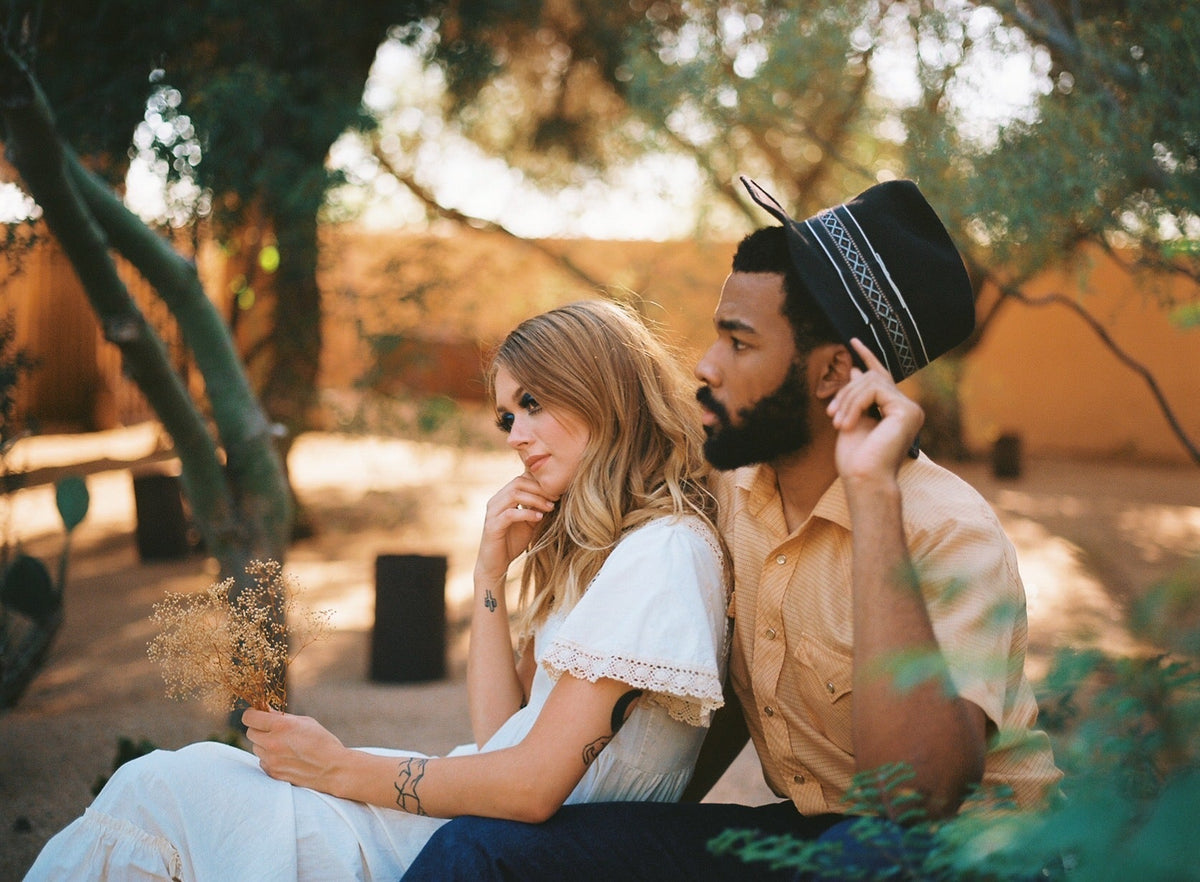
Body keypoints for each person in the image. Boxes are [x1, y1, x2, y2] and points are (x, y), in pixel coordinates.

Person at [403, 177, 1063, 880]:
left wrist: (871, 499)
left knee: (866, 855)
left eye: (739, 343)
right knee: (481, 849)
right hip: (808, 838)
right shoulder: (726, 498)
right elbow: (691, 713)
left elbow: (917, 798)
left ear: (833, 371)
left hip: (963, 855)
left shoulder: (951, 532)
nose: (705, 364)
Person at [24, 300, 730, 880]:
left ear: (602, 388)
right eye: (507, 416)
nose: (516, 434)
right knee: (173, 785)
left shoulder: (663, 552)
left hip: (492, 844)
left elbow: (532, 786)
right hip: (471, 819)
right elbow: (499, 737)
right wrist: (490, 578)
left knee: (162, 790)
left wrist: (339, 768)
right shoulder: (608, 553)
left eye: (534, 403)